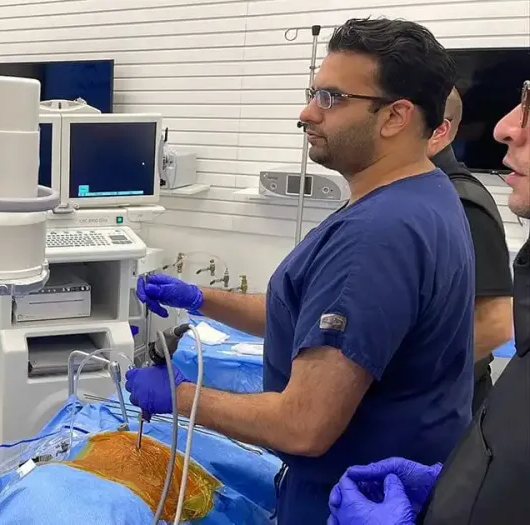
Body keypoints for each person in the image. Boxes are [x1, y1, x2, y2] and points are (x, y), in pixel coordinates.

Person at [126, 18, 475, 524]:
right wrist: (198, 298)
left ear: (395, 116)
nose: (306, 113)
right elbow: (304, 318)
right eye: (313, 93)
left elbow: (303, 425)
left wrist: (179, 396)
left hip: (346, 500)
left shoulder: (376, 234)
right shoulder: (425, 194)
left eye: (331, 98)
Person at [328, 80, 530, 525]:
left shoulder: (455, 202)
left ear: (433, 129)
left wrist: (403, 378)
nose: (505, 128)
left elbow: (496, 322)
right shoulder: (387, 202)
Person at [428, 87, 514, 414]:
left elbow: (494, 323)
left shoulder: (460, 201)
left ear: (440, 128)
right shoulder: (416, 194)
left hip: (447, 412)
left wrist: (415, 381)